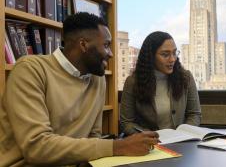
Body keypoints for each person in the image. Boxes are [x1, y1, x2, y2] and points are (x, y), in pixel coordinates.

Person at [0, 12, 159, 166]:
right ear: (83, 44)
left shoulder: (98, 78)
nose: (111, 54)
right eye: (106, 45)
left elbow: (93, 139)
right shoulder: (30, 70)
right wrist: (119, 146)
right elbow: (36, 147)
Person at [120, 31, 201, 135]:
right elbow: (126, 122)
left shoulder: (186, 77)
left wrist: (182, 135)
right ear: (151, 56)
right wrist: (148, 136)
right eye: (165, 54)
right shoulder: (132, 82)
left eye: (174, 53)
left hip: (182, 142)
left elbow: (194, 114)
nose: (172, 59)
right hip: (149, 145)